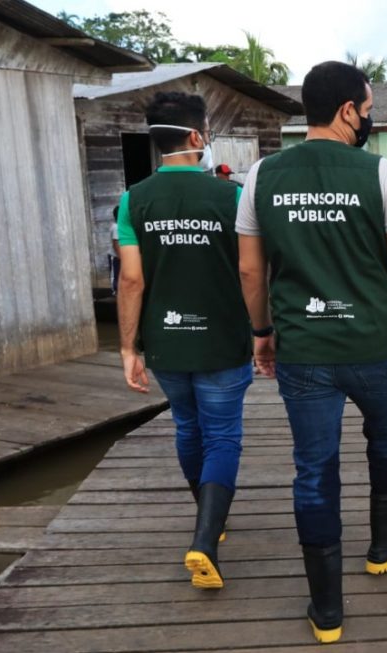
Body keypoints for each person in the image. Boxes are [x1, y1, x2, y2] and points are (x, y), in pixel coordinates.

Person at [236, 60, 387, 644]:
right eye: (368, 106)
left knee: (314, 468)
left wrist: (261, 332)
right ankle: (383, 547)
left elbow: (250, 269)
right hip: (377, 343)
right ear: (348, 110)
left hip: (305, 350)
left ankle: (327, 610)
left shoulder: (261, 176)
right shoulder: (381, 173)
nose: (370, 116)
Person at [115, 91, 252, 592]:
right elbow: (248, 269)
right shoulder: (231, 197)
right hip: (220, 341)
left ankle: (207, 517)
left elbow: (131, 282)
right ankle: (206, 538)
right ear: (198, 137)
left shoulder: (134, 200)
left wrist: (129, 348)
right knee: (222, 436)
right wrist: (264, 331)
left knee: (188, 428)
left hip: (167, 344)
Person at [108, 206, 121, 295]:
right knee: (115, 273)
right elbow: (115, 243)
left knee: (120, 273)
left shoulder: (120, 226)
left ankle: (119, 290)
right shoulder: (116, 227)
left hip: (119, 256)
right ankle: (115, 290)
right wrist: (120, 256)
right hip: (115, 256)